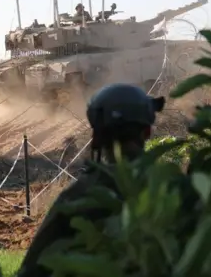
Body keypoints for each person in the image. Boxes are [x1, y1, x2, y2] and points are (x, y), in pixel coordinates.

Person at [16, 83, 165, 277]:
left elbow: (32, 270)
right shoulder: (175, 188)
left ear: (95, 138)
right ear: (147, 132)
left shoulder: (77, 197)